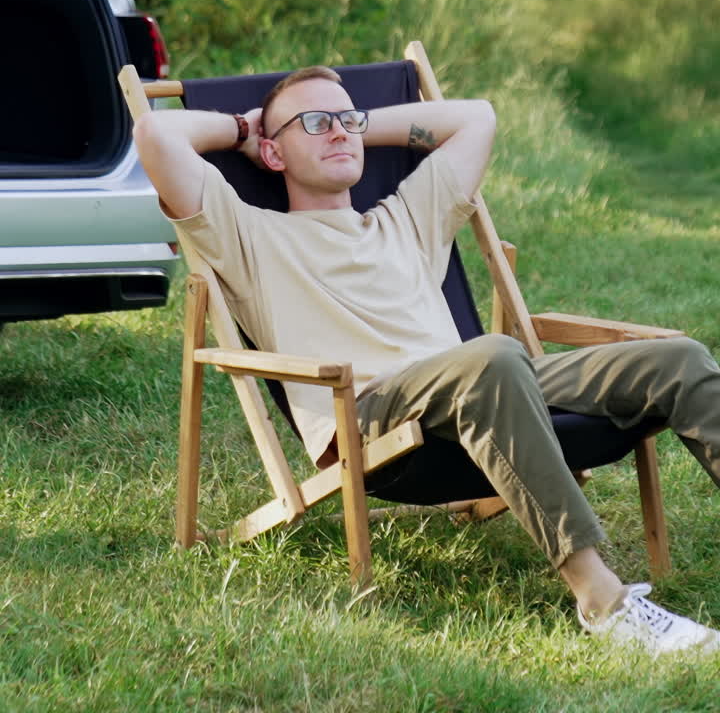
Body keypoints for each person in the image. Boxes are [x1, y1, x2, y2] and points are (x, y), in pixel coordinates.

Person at [134, 65, 720, 657]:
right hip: (371, 413)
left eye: (347, 120)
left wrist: (342, 124)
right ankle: (604, 602)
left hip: (489, 386)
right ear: (272, 152)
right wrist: (245, 127)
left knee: (679, 359)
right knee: (491, 357)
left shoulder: (406, 218)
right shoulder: (247, 235)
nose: (337, 132)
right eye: (313, 122)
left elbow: (476, 118)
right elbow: (157, 138)